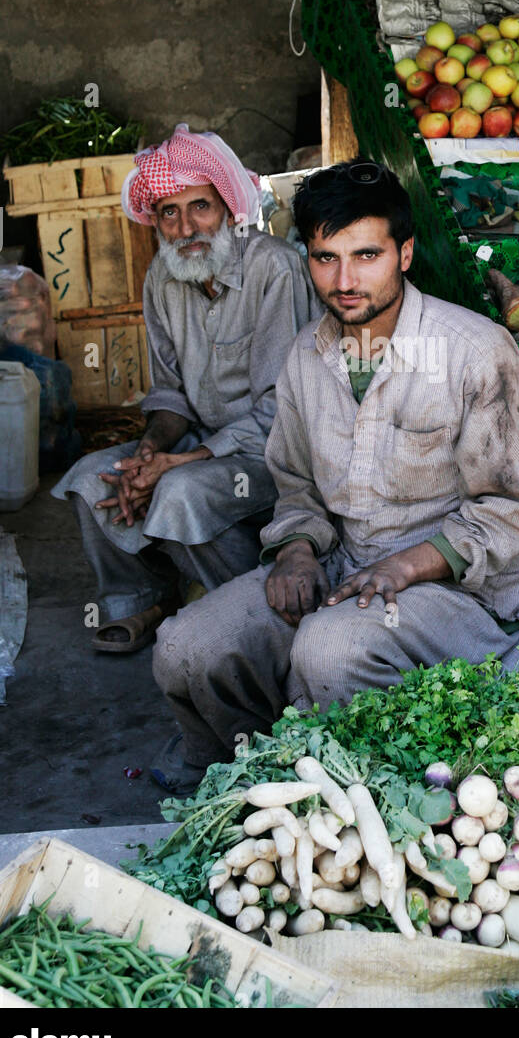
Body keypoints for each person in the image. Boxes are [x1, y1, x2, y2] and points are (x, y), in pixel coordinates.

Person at [152, 158, 519, 792]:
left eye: (366, 255)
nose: (344, 280)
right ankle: (241, 777)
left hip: (450, 594)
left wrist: (404, 567)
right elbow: (295, 484)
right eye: (325, 257)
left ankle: (358, 793)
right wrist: (296, 552)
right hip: (341, 570)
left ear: (405, 253)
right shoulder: (305, 357)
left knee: (328, 649)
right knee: (187, 646)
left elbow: (509, 511)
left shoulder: (474, 352)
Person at [52, 124, 317, 654]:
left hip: (275, 454)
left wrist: (182, 463)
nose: (186, 226)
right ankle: (148, 600)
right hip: (199, 441)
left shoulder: (275, 270)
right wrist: (150, 451)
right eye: (169, 213)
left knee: (181, 492)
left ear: (226, 207)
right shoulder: (163, 278)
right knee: (92, 479)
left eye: (199, 206)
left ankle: (252, 614)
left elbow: (284, 411)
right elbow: (170, 394)